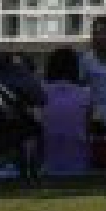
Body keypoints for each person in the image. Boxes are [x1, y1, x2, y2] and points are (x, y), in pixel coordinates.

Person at [38, 47, 92, 176]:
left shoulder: (40, 92)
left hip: (47, 157)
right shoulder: (85, 94)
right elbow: (87, 128)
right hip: (79, 159)